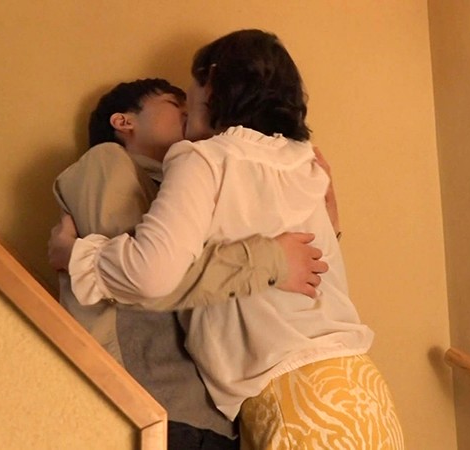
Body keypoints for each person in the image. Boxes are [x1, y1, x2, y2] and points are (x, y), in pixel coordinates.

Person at [51, 30, 404, 449]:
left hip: (299, 402)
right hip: (363, 388)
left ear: (214, 79)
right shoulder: (306, 161)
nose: (186, 108)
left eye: (188, 91)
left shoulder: (203, 159)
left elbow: (150, 275)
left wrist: (76, 256)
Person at [49, 78, 329, 450]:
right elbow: (141, 279)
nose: (190, 111)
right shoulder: (107, 161)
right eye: (173, 103)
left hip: (201, 417)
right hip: (152, 407)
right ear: (123, 121)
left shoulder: (181, 191)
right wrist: (272, 260)